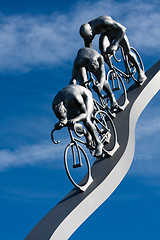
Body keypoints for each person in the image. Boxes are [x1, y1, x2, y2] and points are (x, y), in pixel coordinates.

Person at [80, 15, 147, 85]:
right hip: (106, 34)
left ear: (91, 29)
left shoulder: (104, 22)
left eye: (91, 35)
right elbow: (90, 51)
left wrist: (115, 44)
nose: (90, 37)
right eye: (88, 37)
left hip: (117, 32)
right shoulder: (86, 34)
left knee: (127, 53)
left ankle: (140, 72)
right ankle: (112, 69)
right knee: (103, 51)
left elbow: (123, 29)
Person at [52, 84, 103, 157]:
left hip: (85, 96)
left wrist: (75, 119)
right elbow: (62, 119)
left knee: (87, 120)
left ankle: (99, 143)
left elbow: (84, 114)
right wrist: (61, 123)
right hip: (70, 101)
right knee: (70, 125)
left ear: (65, 110)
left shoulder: (75, 97)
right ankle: (86, 134)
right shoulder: (54, 105)